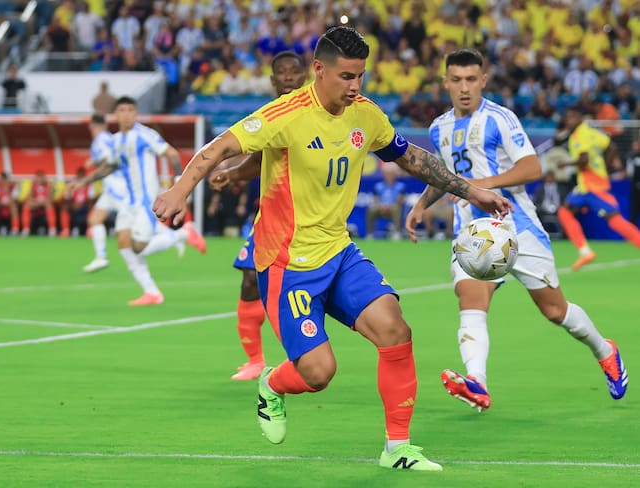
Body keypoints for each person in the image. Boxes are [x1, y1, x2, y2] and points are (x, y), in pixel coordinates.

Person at [154, 27, 512, 472]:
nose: (355, 86)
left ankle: (397, 448)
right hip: (288, 263)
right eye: (346, 76)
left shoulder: (364, 113)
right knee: (319, 373)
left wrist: (472, 190)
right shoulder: (286, 114)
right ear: (319, 70)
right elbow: (219, 147)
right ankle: (272, 384)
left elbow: (411, 157)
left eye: (360, 76)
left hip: (339, 251)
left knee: (395, 329)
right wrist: (179, 189)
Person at [404, 49, 628, 415]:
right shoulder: (438, 127)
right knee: (470, 300)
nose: (464, 88)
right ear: (446, 82)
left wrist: (482, 185)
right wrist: (421, 205)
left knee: (555, 311)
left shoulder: (499, 118)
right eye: (457, 80)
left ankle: (605, 351)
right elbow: (444, 174)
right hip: (472, 232)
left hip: (516, 228)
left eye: (471, 80)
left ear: (483, 81)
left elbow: (532, 166)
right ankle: (477, 383)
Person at [208, 51, 307, 381]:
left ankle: (306, 358)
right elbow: (261, 159)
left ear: (305, 76)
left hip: (312, 218)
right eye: (283, 72)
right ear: (273, 80)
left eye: (295, 72)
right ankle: (254, 360)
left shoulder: (317, 112)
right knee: (250, 278)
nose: (289, 77)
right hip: (273, 217)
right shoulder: (268, 116)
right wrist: (233, 175)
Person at [72, 99, 205, 304]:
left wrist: (179, 187)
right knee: (124, 245)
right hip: (128, 202)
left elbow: (172, 154)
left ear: (136, 114)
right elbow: (110, 166)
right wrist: (84, 181)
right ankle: (152, 293)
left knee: (138, 247)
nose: (126, 114)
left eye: (130, 110)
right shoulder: (116, 141)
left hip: (146, 202)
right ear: (115, 115)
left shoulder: (145, 135)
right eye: (122, 110)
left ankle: (183, 234)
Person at [556, 105, 640, 270]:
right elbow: (611, 146)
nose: (568, 120)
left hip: (591, 185)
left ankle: (585, 251)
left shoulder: (579, 136)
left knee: (614, 220)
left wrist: (565, 163)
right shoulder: (592, 132)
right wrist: (606, 168)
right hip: (592, 183)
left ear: (580, 118)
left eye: (572, 117)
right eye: (567, 117)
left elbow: (584, 159)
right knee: (565, 212)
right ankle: (584, 251)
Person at [365, 162, 406, 240]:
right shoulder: (378, 186)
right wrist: (380, 206)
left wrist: (389, 206)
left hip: (393, 207)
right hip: (380, 207)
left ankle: (397, 233)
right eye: (387, 174)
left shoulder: (400, 186)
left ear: (395, 174)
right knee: (371, 210)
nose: (389, 176)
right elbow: (375, 199)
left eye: (391, 174)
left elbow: (400, 201)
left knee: (396, 208)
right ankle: (369, 234)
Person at [21, 169, 57, 237]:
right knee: (26, 205)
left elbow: (51, 198)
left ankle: (52, 229)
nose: (40, 179)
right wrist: (37, 202)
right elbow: (29, 197)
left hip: (46, 204)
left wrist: (43, 201)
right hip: (36, 204)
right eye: (38, 177)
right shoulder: (32, 186)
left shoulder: (49, 186)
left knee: (49, 204)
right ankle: (26, 229)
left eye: (41, 177)